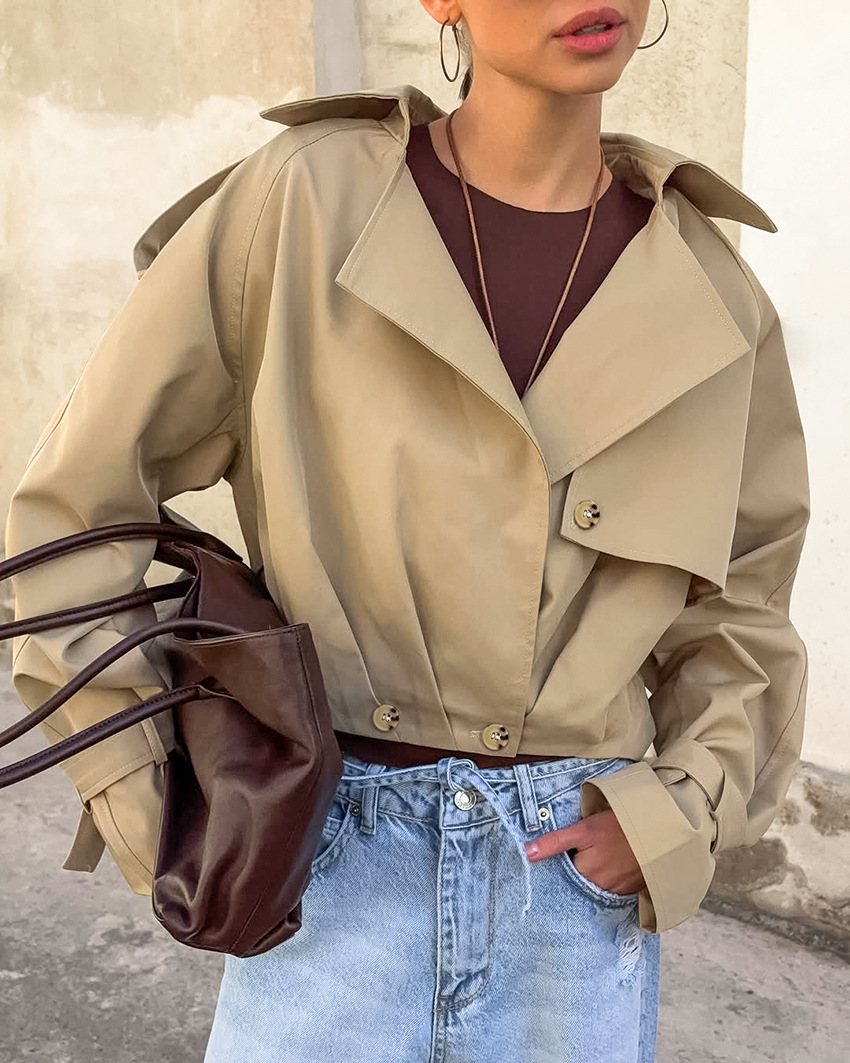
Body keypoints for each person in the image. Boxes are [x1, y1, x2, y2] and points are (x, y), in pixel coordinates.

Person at [5, 1, 809, 1061]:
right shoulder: (305, 202)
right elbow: (80, 503)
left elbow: (744, 604)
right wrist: (154, 801)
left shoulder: (707, 286)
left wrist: (678, 812)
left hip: (569, 894)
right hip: (325, 853)